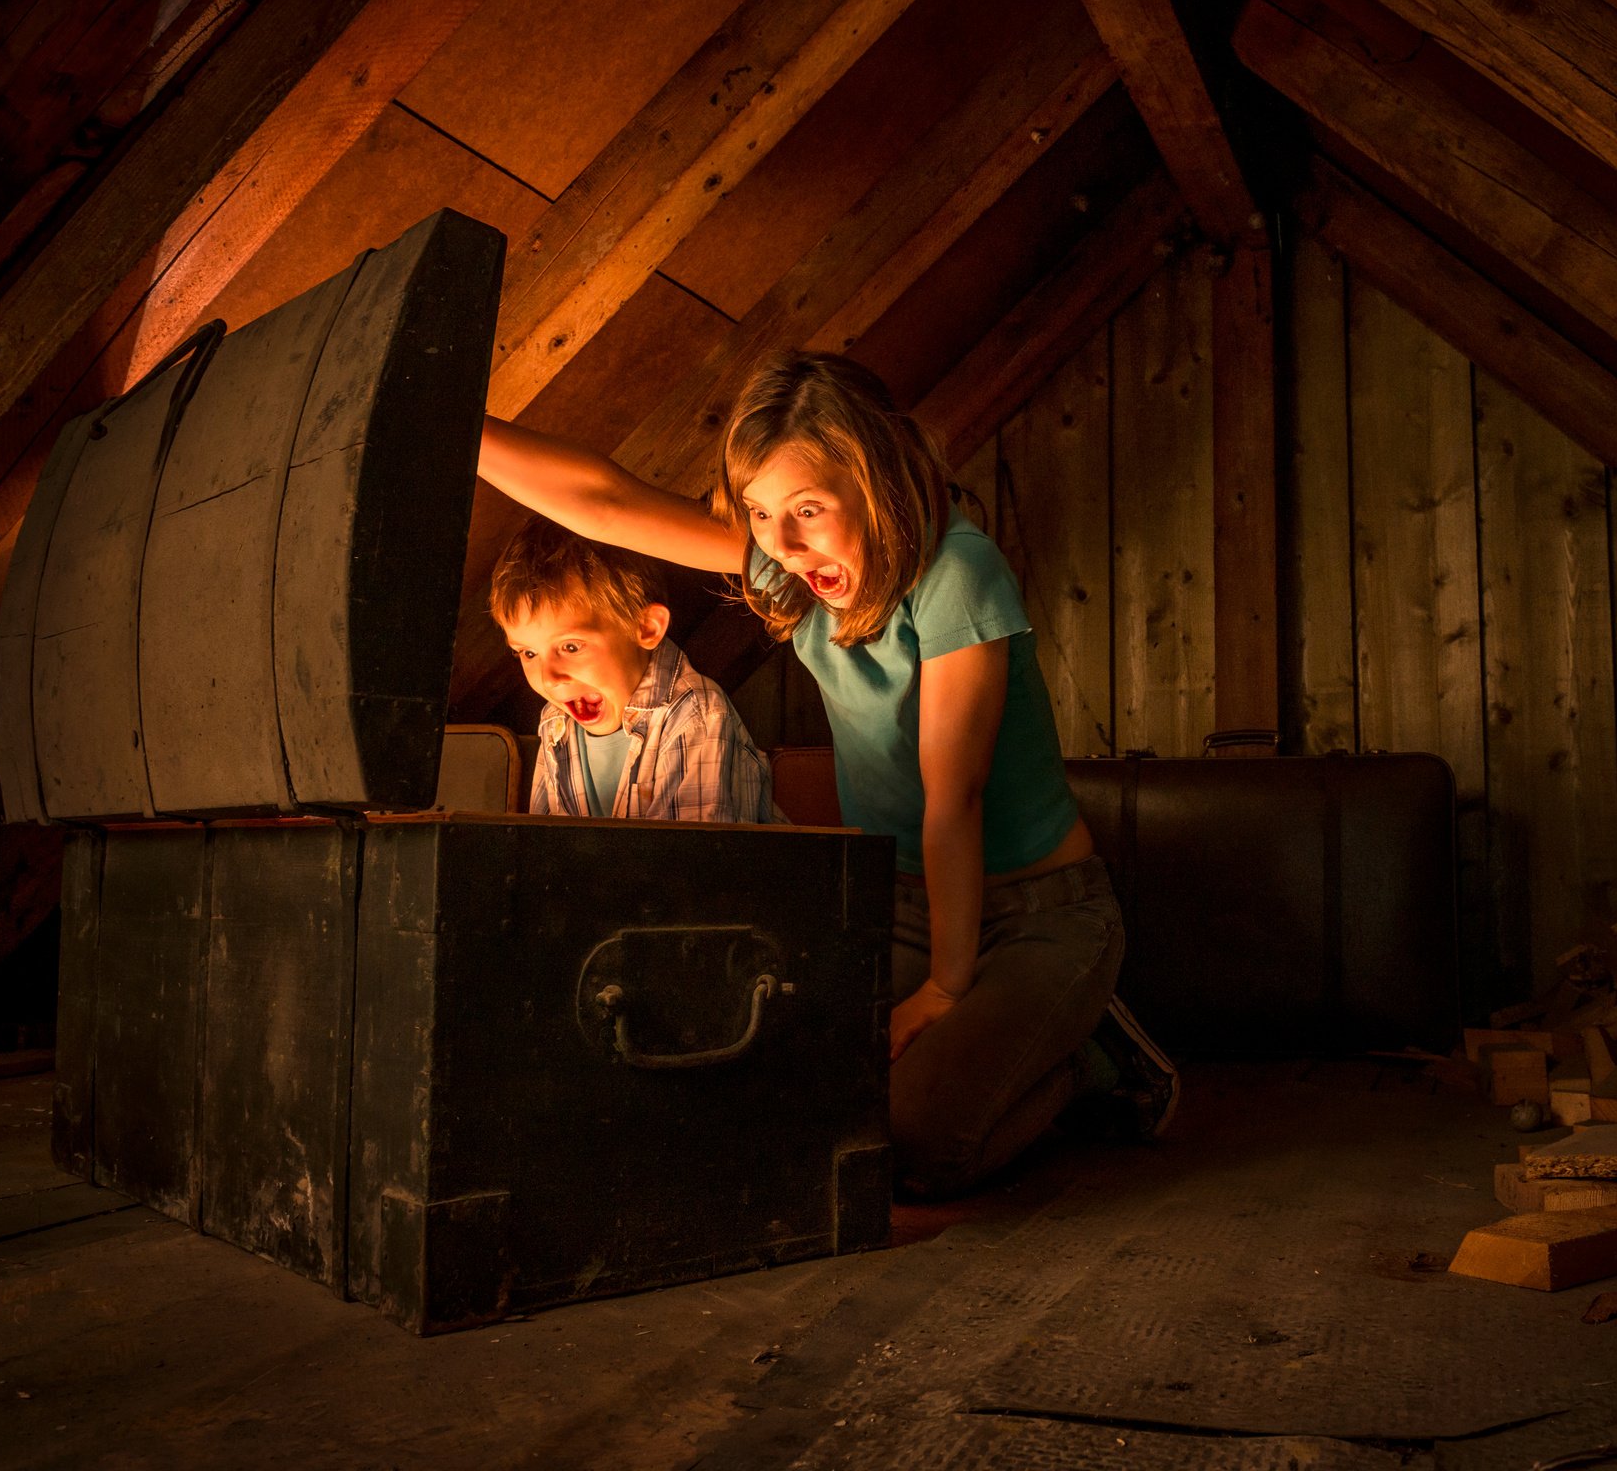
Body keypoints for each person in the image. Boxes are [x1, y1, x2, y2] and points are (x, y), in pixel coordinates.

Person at [479, 352, 1177, 1195]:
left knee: (915, 1144)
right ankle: (1012, 1043)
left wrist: (946, 992)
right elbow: (609, 502)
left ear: (877, 479)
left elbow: (953, 799)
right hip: (906, 903)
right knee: (771, 1092)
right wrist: (457, 426)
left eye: (807, 509)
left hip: (1041, 914)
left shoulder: (957, 574)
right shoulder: (794, 569)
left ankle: (1092, 1060)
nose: (781, 543)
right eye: (761, 514)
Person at [490, 516, 772, 823]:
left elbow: (690, 862)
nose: (549, 678)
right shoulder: (555, 722)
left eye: (571, 647)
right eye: (528, 653)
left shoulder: (696, 715)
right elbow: (543, 842)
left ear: (646, 628)